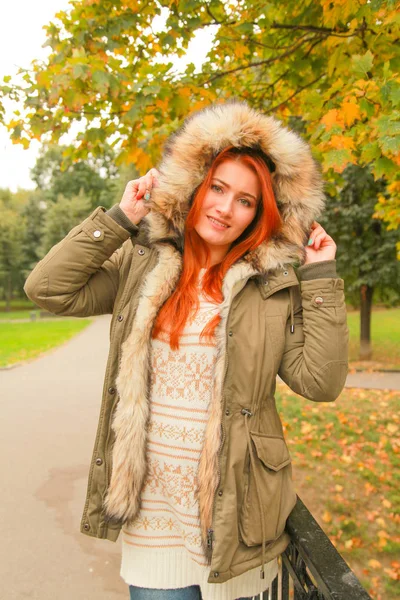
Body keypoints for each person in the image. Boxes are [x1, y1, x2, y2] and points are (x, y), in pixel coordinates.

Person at [24, 101, 348, 600]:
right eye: (217, 188)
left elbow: (320, 383)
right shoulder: (140, 265)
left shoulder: (272, 287)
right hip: (151, 515)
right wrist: (119, 218)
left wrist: (321, 278)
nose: (224, 207)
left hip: (232, 516)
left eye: (245, 200)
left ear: (261, 213)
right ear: (194, 187)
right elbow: (48, 289)